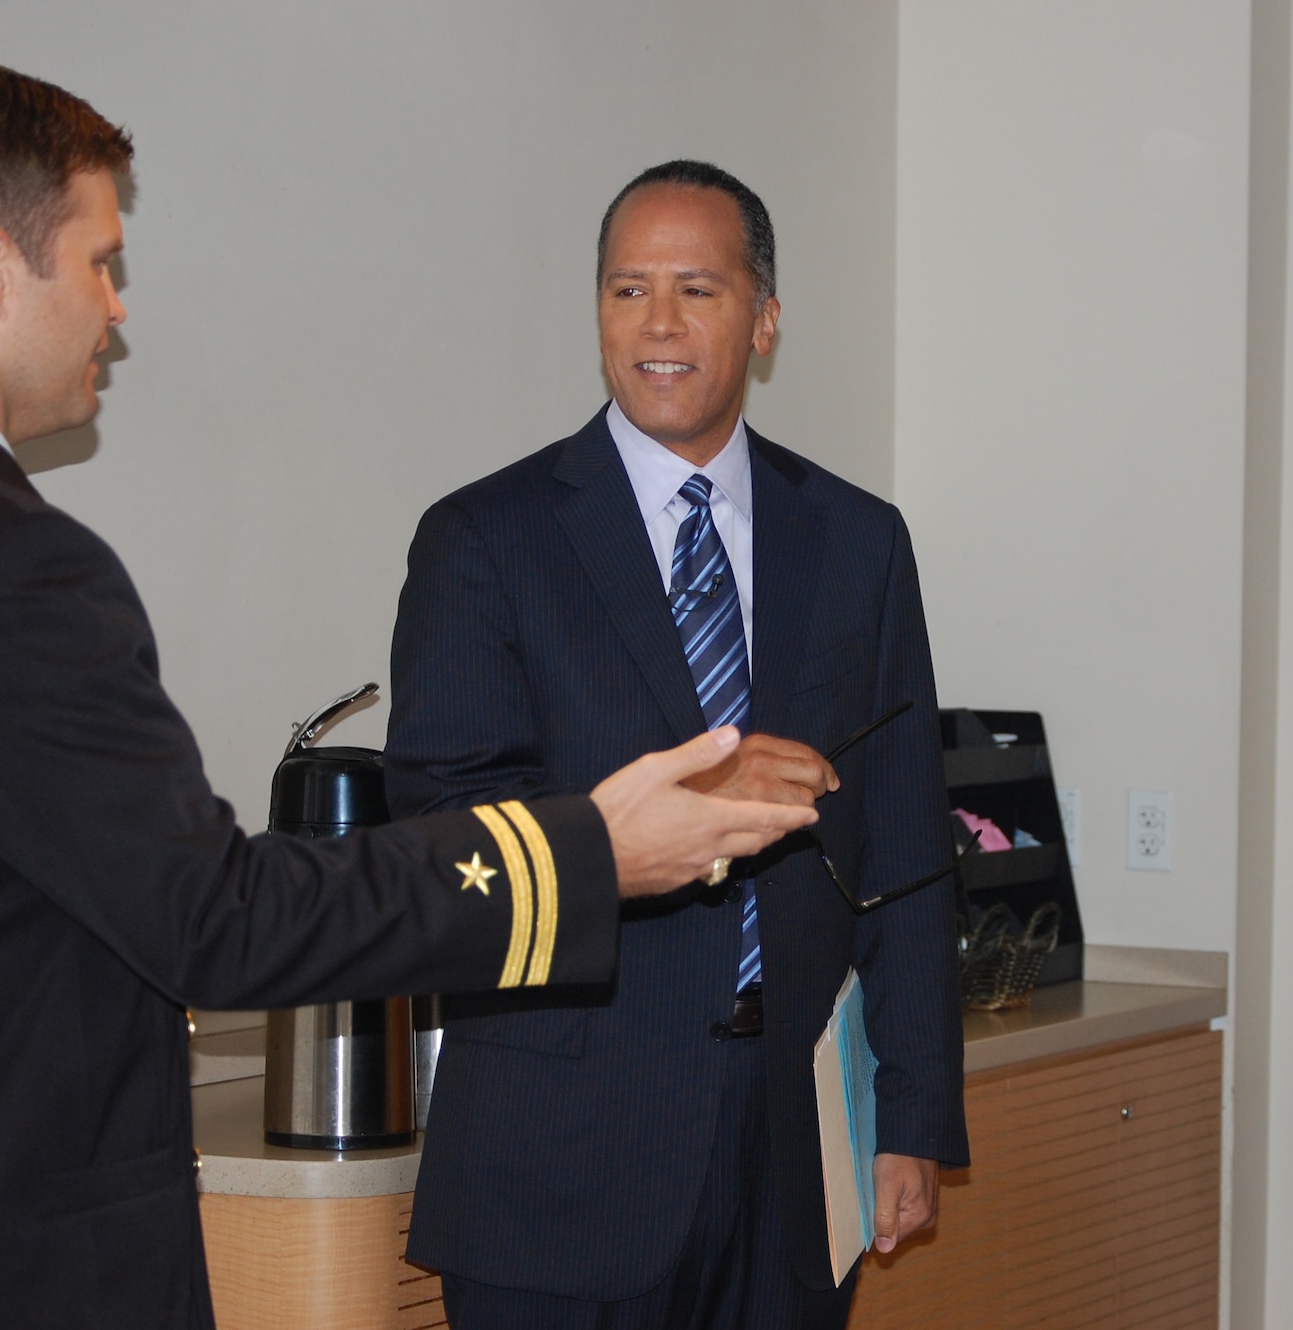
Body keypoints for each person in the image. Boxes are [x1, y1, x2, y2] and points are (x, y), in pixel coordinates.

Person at [0, 58, 814, 1330]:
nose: (114, 312)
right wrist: (585, 850)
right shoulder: (11, 565)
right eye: (97, 262)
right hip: (4, 1258)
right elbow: (217, 918)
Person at [385, 160, 968, 1327]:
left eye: (695, 290)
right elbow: (446, 842)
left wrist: (908, 1118)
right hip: (559, 1160)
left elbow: (902, 840)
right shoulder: (485, 539)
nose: (655, 324)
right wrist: (690, 805)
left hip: (791, 1151)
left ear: (763, 320)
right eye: (624, 290)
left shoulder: (857, 542)